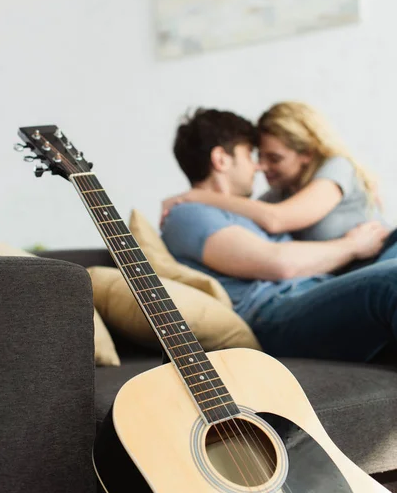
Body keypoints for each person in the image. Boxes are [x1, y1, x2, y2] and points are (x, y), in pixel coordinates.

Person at [161, 108, 397, 362]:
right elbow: (279, 263)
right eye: (250, 155)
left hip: (312, 295)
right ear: (221, 159)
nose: (258, 166)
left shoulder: (244, 210)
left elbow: (276, 217)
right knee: (390, 281)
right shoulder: (186, 215)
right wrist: (353, 245)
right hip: (275, 313)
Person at [161, 101, 386, 241]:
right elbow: (248, 216)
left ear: (307, 153)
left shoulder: (336, 168)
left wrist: (195, 196)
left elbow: (276, 220)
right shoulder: (279, 195)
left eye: (275, 158)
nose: (262, 167)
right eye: (259, 156)